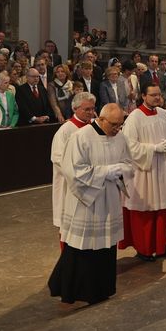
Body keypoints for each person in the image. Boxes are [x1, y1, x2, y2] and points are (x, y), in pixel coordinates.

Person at [48, 103, 132, 305]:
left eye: (120, 124)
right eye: (113, 124)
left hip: (109, 199)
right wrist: (106, 172)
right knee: (83, 248)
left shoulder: (120, 137)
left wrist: (120, 171)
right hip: (87, 203)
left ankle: (103, 289)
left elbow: (129, 163)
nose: (117, 129)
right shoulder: (81, 137)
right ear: (101, 119)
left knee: (106, 246)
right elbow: (73, 171)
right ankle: (80, 291)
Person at [119, 82, 166, 261]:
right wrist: (153, 148)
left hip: (162, 167)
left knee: (164, 209)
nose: (157, 98)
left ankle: (163, 244)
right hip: (144, 171)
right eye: (153, 95)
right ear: (143, 96)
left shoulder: (163, 114)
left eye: (159, 95)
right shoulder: (134, 118)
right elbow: (129, 146)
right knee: (144, 211)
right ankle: (144, 249)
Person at [50, 92, 97, 245]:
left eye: (92, 109)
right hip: (71, 185)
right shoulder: (65, 130)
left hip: (92, 182)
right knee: (69, 227)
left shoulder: (95, 127)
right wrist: (81, 172)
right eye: (87, 109)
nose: (91, 113)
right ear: (75, 108)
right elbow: (57, 158)